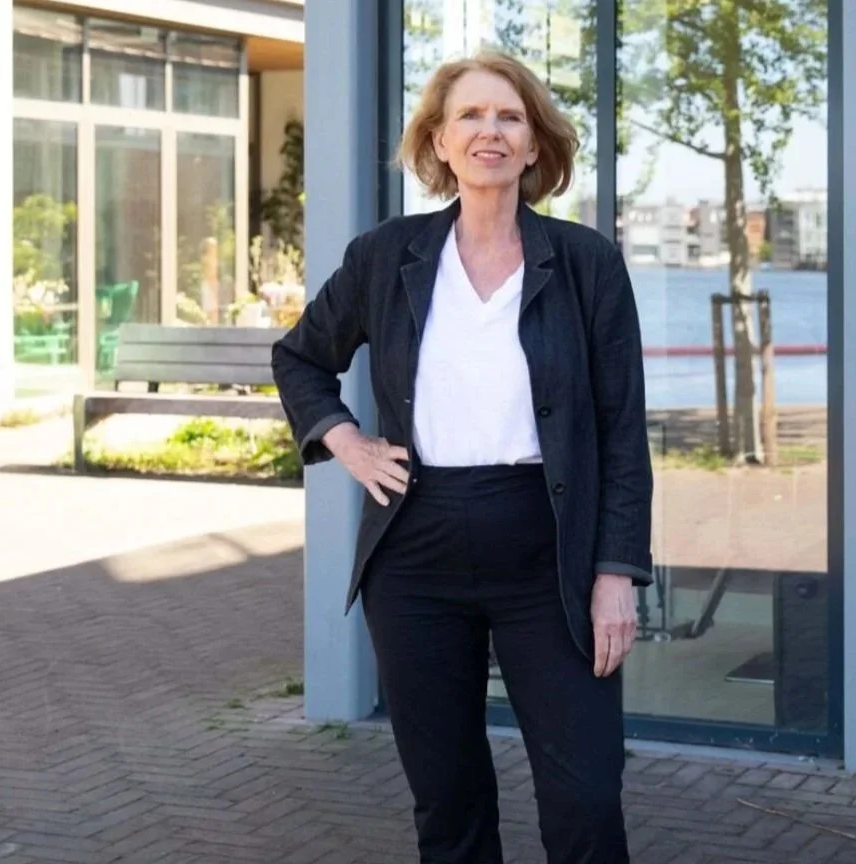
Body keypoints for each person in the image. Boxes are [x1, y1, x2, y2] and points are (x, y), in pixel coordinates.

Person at [271, 48, 653, 864]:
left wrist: (616, 571)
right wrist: (346, 441)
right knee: (448, 803)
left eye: (509, 116)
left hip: (549, 551)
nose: (490, 131)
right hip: (416, 550)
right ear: (439, 143)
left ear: (535, 145)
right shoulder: (387, 255)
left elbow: (622, 430)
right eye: (470, 116)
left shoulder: (587, 264)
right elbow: (300, 356)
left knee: (585, 798)